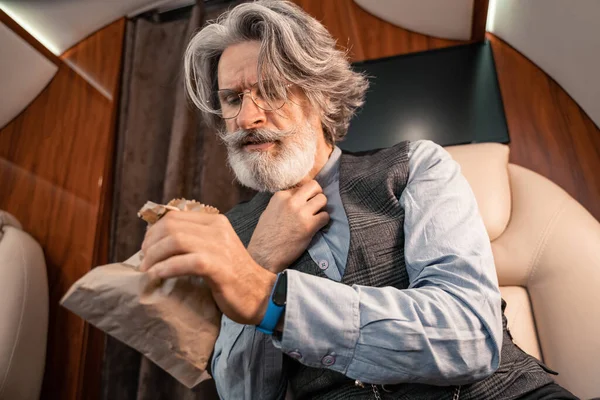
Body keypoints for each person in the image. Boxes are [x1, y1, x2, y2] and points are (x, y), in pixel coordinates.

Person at [139, 1, 578, 399]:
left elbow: (469, 336)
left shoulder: (416, 165)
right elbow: (246, 396)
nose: (247, 118)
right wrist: (260, 258)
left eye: (271, 90)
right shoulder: (233, 233)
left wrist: (264, 293)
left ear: (319, 95)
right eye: (232, 99)